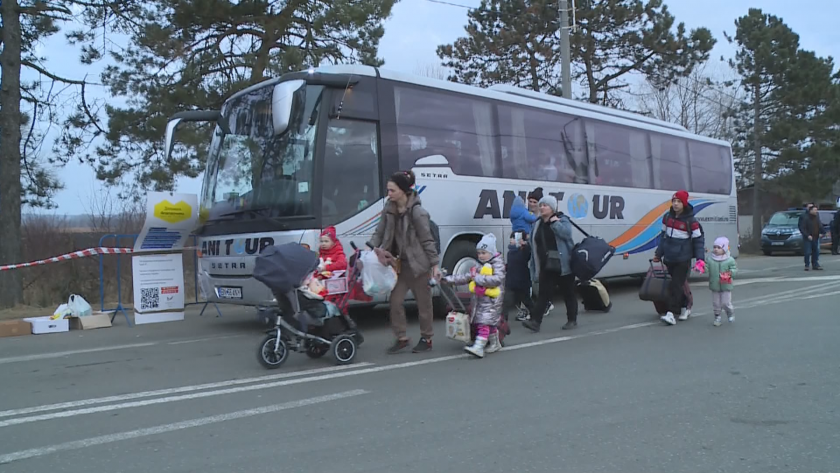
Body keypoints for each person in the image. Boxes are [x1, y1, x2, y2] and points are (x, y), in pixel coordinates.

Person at [370, 170, 442, 354]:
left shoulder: (418, 212)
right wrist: (370, 248)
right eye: (388, 190)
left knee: (424, 305)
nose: (389, 194)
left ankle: (427, 338)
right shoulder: (389, 209)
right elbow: (380, 231)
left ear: (403, 190)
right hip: (399, 265)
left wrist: (435, 265)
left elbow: (427, 240)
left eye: (392, 190)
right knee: (395, 302)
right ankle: (402, 338)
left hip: (419, 266)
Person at [522, 195, 579, 333]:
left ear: (552, 208)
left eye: (545, 205)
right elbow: (535, 241)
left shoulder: (562, 219)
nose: (541, 208)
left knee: (568, 293)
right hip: (546, 265)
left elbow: (566, 234)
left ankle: (572, 320)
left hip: (563, 265)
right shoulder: (537, 223)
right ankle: (535, 322)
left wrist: (555, 223)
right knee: (543, 294)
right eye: (541, 205)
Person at [443, 234, 505, 358]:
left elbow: (497, 279)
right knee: (489, 322)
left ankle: (479, 346)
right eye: (479, 253)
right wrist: (448, 279)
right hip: (482, 299)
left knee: (483, 322)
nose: (481, 255)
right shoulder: (481, 265)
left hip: (492, 299)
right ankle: (495, 343)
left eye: (483, 252)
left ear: (491, 252)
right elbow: (466, 277)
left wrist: (477, 278)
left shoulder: (497, 264)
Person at [653, 190, 706, 326]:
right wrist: (658, 254)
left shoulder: (691, 221)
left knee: (675, 285)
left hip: (683, 259)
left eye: (679, 202)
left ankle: (671, 314)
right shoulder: (667, 218)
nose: (675, 204)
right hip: (669, 258)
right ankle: (685, 307)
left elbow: (699, 241)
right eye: (674, 201)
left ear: (684, 203)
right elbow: (663, 238)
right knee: (678, 285)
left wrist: (700, 259)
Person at [526, 187, 554, 317]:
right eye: (530, 201)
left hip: (542, 256)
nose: (531, 204)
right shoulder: (528, 216)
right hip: (533, 254)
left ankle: (544, 306)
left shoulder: (541, 219)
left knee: (540, 281)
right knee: (535, 279)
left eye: (534, 202)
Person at [705, 236, 737, 327]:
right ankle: (717, 317)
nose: (716, 249)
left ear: (725, 248)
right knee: (716, 303)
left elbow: (734, 269)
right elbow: (706, 268)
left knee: (725, 302)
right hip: (715, 285)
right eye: (715, 247)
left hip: (726, 285)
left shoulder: (729, 260)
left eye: (719, 247)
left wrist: (731, 273)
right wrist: (701, 268)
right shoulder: (710, 260)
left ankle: (730, 312)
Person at [503, 231, 534, 321]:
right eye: (511, 238)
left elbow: (529, 252)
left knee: (527, 300)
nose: (511, 240)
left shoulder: (524, 251)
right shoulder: (510, 252)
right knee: (506, 301)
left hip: (522, 281)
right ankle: (503, 321)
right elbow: (510, 265)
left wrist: (525, 245)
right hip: (511, 281)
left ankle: (535, 316)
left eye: (514, 238)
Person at [316, 227, 347, 303]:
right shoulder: (322, 252)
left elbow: (343, 264)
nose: (323, 244)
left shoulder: (338, 252)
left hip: (335, 280)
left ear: (333, 242)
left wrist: (326, 267)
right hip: (325, 279)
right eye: (321, 241)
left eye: (326, 241)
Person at [799, 204, 824, 271]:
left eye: (816, 210)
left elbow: (820, 225)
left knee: (815, 251)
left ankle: (815, 264)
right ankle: (807, 265)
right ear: (810, 210)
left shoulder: (817, 217)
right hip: (808, 237)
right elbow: (802, 228)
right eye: (815, 210)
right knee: (807, 251)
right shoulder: (805, 217)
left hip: (816, 237)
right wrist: (807, 235)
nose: (816, 211)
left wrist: (822, 233)